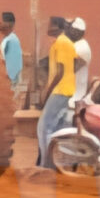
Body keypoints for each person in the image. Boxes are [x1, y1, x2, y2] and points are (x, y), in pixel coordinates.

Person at [36, 16, 77, 167]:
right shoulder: (66, 42)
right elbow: (75, 63)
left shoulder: (61, 42)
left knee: (44, 127)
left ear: (57, 26)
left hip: (60, 90)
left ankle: (46, 165)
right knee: (58, 128)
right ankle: (59, 164)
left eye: (50, 24)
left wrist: (47, 91)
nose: (48, 28)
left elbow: (60, 71)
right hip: (66, 90)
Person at [0, 11, 25, 103]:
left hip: (11, 86)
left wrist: (9, 85)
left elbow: (13, 66)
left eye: (0, 22)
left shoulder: (11, 41)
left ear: (8, 24)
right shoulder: (8, 39)